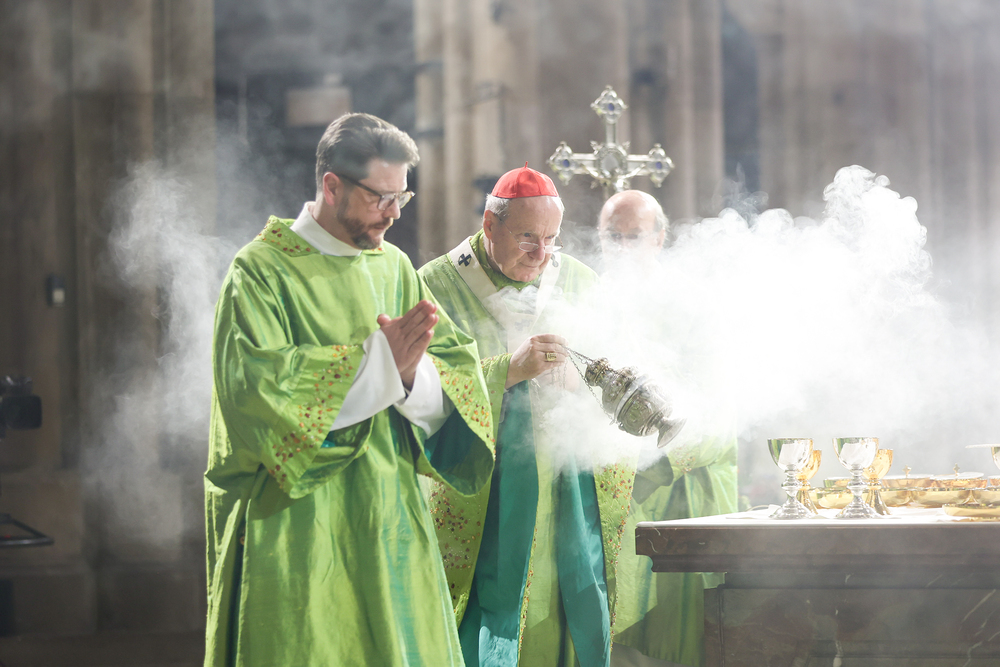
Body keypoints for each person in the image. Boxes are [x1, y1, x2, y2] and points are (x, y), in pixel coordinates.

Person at [204, 112, 496, 667]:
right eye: (379, 198)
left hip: (390, 512)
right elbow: (257, 392)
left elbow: (454, 371)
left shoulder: (395, 267)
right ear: (332, 186)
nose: (393, 213)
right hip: (299, 521)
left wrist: (408, 377)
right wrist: (379, 365)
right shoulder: (260, 271)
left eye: (401, 197)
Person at [419, 164, 638, 667]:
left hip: (567, 487)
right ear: (489, 225)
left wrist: (583, 381)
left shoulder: (578, 279)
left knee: (566, 606)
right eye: (526, 238)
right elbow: (418, 388)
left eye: (551, 239)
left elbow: (617, 368)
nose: (541, 254)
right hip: (483, 488)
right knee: (486, 609)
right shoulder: (437, 284)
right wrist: (508, 371)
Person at [595, 190, 738, 667]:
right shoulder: (590, 299)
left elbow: (720, 406)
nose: (622, 248)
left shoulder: (692, 305)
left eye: (633, 237)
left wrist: (650, 470)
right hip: (609, 487)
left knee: (678, 637)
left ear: (659, 238)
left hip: (679, 488)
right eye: (612, 237)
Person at [597, 190, 667, 267]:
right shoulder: (593, 275)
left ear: (658, 241)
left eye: (634, 236)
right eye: (613, 235)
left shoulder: (674, 274)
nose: (623, 249)